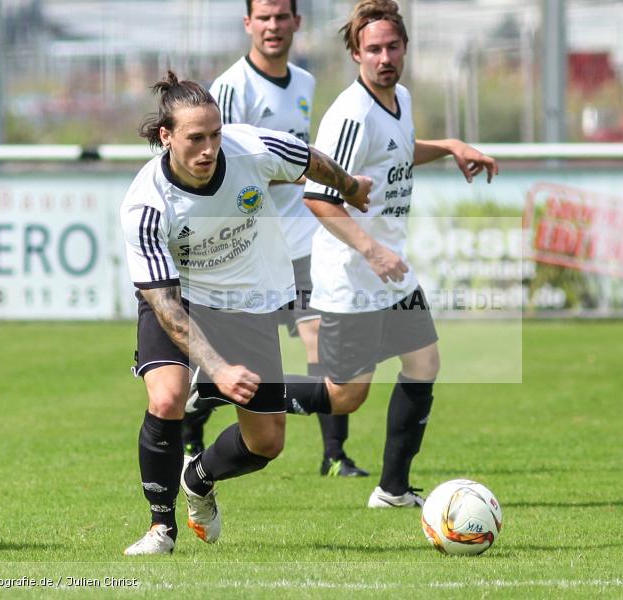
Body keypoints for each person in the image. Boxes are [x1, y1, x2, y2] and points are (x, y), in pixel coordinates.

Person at [120, 70, 371, 555]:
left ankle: (200, 477)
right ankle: (160, 528)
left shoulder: (250, 149)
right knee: (168, 398)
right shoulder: (146, 204)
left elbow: (310, 162)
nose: (209, 148)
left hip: (247, 303)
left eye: (214, 134)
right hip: (179, 301)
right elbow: (165, 304)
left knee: (266, 443)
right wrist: (217, 368)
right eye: (195, 138)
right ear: (166, 137)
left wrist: (349, 186)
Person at [286, 0, 499, 508]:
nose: (385, 57)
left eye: (393, 46)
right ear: (356, 53)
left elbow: (398, 150)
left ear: (404, 47)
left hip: (389, 272)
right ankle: (231, 386)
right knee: (345, 395)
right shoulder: (351, 114)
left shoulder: (398, 96)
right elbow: (316, 197)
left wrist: (448, 146)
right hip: (352, 275)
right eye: (374, 49)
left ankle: (393, 488)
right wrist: (373, 251)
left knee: (424, 362)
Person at [181, 0, 369, 478]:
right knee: (248, 362)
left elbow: (298, 158)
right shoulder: (229, 87)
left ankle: (334, 456)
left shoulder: (304, 84)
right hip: (248, 248)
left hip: (302, 244)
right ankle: (201, 408)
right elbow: (223, 169)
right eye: (263, 17)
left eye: (281, 16)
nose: (272, 26)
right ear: (248, 23)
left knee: (323, 351)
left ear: (296, 23)